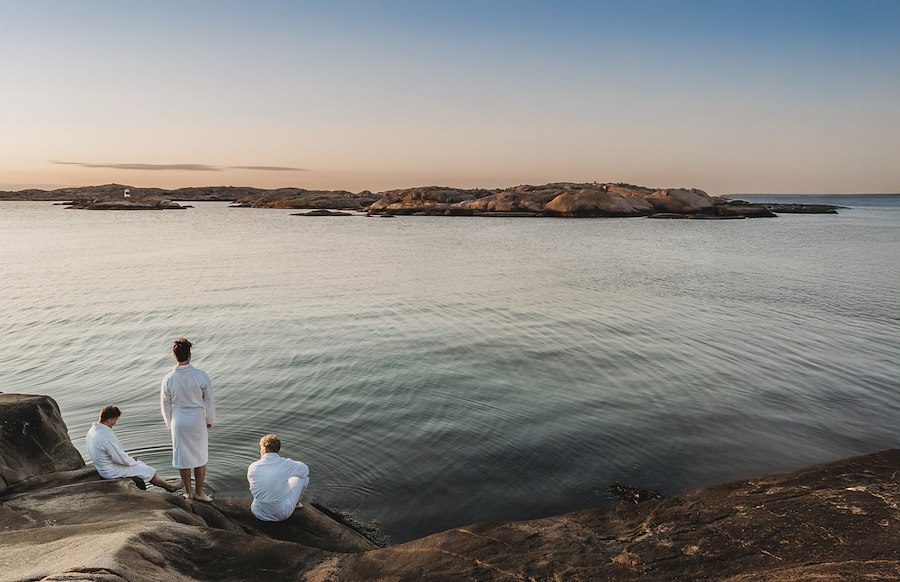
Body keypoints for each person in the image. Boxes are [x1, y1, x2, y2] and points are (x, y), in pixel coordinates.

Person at [160, 337, 215, 502]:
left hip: (179, 419)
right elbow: (209, 399)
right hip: (197, 418)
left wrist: (169, 423)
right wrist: (209, 418)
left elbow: (165, 404)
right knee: (200, 456)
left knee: (183, 457)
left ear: (174, 356)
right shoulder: (200, 375)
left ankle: (189, 493)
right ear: (189, 355)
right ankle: (200, 492)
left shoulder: (168, 378)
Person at [85, 405, 183, 492]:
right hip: (110, 471)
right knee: (147, 470)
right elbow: (118, 457)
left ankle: (165, 485)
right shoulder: (104, 436)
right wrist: (131, 461)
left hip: (102, 467)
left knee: (139, 465)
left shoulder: (92, 431)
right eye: (115, 420)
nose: (115, 423)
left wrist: (131, 461)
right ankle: (171, 487)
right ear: (109, 419)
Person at [247, 434, 310, 522]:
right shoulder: (285, 464)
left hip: (258, 512)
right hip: (280, 514)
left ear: (263, 449)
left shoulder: (253, 466)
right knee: (304, 478)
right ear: (278, 449)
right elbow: (305, 471)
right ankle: (295, 503)